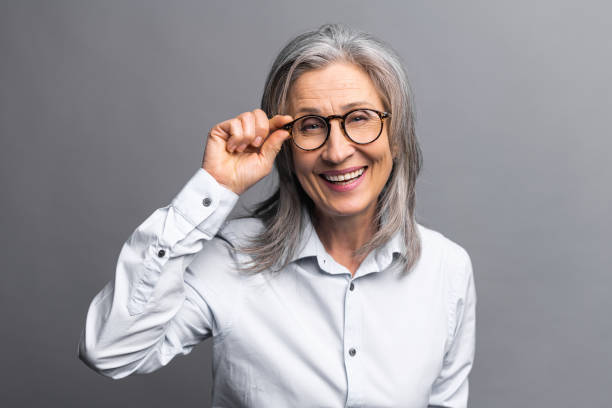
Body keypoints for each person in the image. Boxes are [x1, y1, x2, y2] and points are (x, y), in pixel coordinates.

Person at [78, 23, 476, 408]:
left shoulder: (447, 269)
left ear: (397, 134)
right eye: (310, 126)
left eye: (359, 118)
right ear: (284, 145)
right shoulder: (231, 259)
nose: (337, 152)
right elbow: (110, 351)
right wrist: (215, 187)